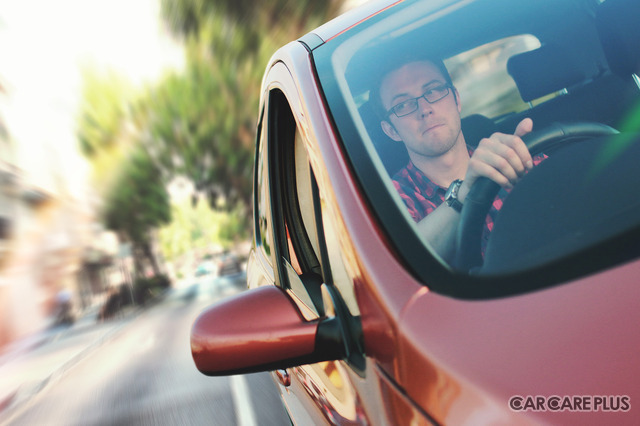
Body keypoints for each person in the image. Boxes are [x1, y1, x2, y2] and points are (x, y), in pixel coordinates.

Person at [373, 58, 544, 262]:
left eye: (432, 91)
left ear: (456, 99)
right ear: (391, 130)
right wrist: (463, 194)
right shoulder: (388, 203)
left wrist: (534, 175)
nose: (424, 109)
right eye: (402, 105)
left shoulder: (515, 156)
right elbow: (402, 265)